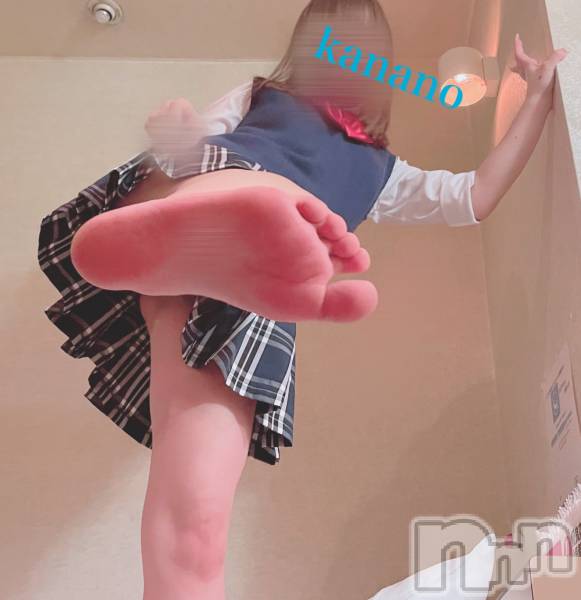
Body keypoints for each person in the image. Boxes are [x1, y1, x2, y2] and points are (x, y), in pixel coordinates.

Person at [36, 1, 567, 598]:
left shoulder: (381, 170)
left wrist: (538, 95)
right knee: (219, 176)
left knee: (196, 525)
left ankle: (206, 234)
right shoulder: (259, 96)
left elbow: (475, 195)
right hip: (209, 219)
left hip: (233, 300)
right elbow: (198, 148)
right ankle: (204, 224)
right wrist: (179, 142)